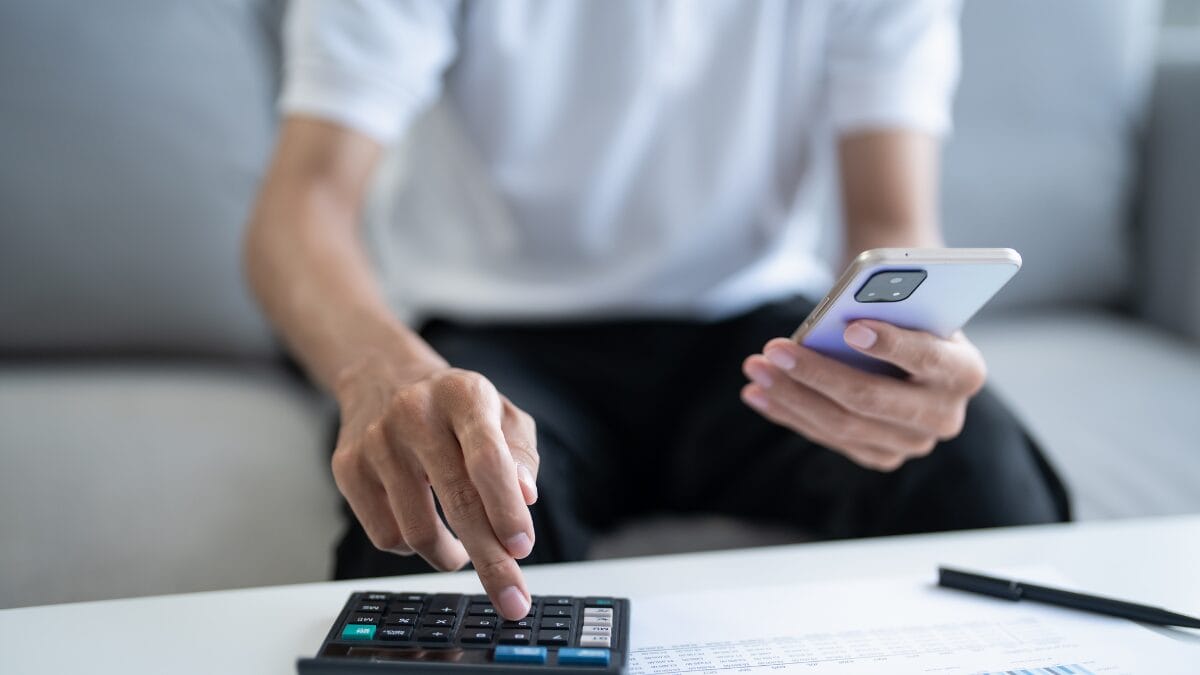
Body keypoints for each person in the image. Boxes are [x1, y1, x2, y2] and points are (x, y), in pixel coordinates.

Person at [245, 0, 1068, 621]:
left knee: (981, 470)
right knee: (444, 544)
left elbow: (891, 224)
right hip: (493, 341)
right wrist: (379, 369)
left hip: (755, 340)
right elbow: (302, 204)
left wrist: (914, 351)